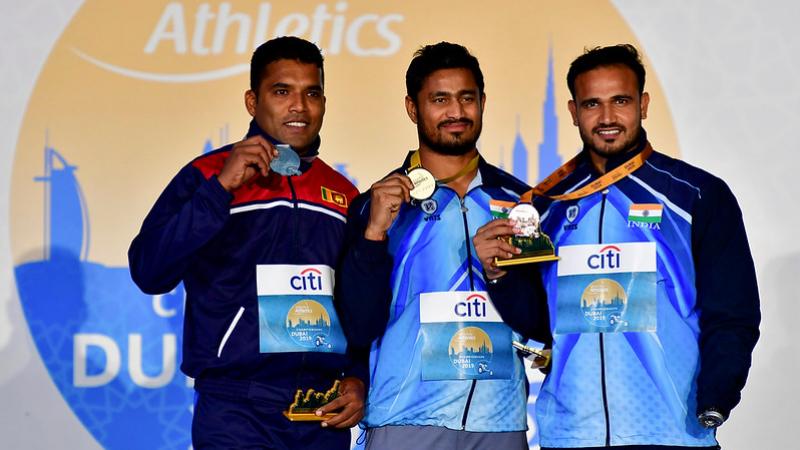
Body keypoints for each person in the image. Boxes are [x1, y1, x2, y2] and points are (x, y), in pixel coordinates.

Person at [473, 44, 760, 449]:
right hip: (572, 434)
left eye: (620, 101)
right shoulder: (544, 206)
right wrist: (499, 275)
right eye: (592, 104)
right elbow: (540, 322)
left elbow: (733, 312)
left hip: (673, 430)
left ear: (643, 104)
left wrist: (716, 396)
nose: (607, 118)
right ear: (573, 112)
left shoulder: (697, 194)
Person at [128, 36, 366, 449]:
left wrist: (359, 375)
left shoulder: (343, 192)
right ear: (252, 102)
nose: (299, 106)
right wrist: (220, 190)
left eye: (312, 93)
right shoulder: (207, 175)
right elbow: (149, 270)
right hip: (235, 410)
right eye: (281, 91)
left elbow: (359, 302)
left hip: (320, 414)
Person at [337, 42, 547, 450]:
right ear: (413, 109)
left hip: (499, 422)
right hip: (406, 418)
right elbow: (358, 326)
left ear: (483, 102)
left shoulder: (522, 203)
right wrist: (374, 236)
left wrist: (500, 275)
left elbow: (541, 322)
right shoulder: (376, 205)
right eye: (440, 99)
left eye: (466, 98)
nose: (456, 112)